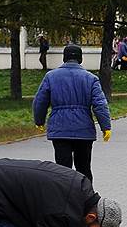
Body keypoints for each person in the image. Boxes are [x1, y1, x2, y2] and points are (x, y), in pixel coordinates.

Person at [33, 44, 112, 183]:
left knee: (62, 170)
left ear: (64, 58)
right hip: (84, 130)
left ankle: (64, 200)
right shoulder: (91, 78)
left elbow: (40, 101)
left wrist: (39, 121)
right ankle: (86, 200)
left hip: (60, 130)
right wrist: (105, 127)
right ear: (80, 59)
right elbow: (100, 104)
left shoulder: (51, 77)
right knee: (84, 169)